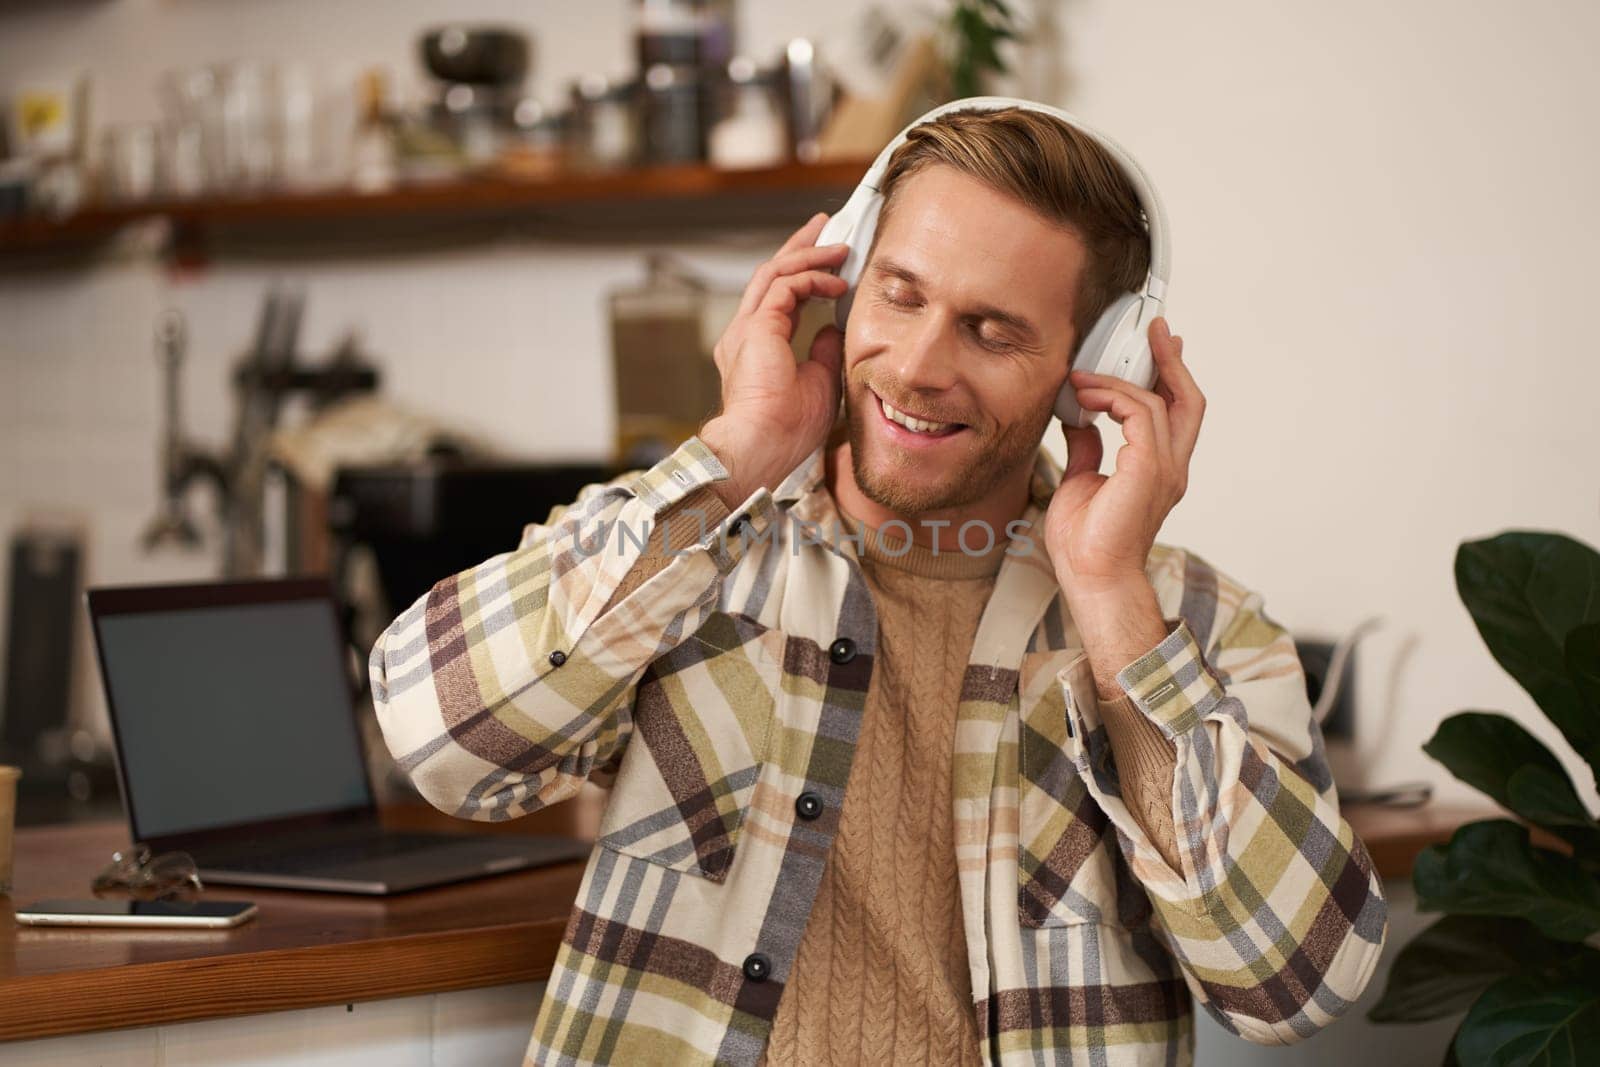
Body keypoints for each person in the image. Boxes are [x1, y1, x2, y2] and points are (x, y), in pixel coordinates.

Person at [369, 104, 1387, 1066]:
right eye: (899, 292)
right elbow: (439, 744)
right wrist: (736, 453)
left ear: (1091, 365)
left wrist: (1111, 598)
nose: (916, 364)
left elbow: (1294, 983)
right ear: (844, 274)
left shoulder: (1186, 622)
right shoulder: (690, 545)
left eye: (992, 331)